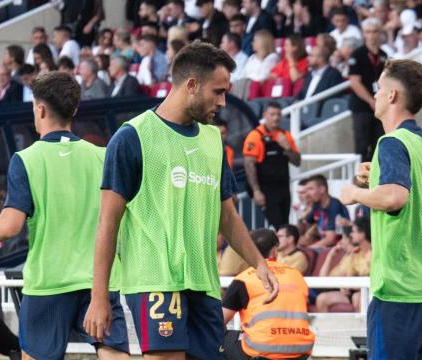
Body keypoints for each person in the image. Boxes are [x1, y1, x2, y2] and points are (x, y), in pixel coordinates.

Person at [83, 42, 279, 359]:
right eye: (217, 91)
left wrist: (259, 263)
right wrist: (99, 296)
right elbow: (107, 223)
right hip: (153, 282)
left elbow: (227, 215)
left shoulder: (213, 140)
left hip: (203, 284)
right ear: (191, 85)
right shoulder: (132, 136)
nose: (223, 101)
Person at [0, 72, 130, 360]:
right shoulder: (102, 156)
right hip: (98, 280)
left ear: (40, 109)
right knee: (113, 352)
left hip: (49, 283)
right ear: (73, 110)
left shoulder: (26, 159)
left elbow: (10, 226)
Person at [339, 59, 422, 358]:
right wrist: (375, 173)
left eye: (378, 89)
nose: (374, 95)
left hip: (401, 286)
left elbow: (394, 197)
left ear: (391, 97)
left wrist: (354, 194)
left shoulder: (391, 142)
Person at [222, 228, 315, 360]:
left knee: (218, 336)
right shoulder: (296, 275)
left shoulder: (243, 279)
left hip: (261, 350)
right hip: (301, 349)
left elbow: (219, 321)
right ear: (274, 250)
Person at [243, 101, 301, 229]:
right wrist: (256, 191)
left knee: (285, 223)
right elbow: (249, 164)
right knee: (278, 225)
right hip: (266, 188)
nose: (276, 118)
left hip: (284, 186)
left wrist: (287, 148)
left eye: (278, 114)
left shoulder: (285, 135)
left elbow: (297, 161)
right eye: (272, 114)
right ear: (265, 115)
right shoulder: (255, 136)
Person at [348, 18, 387, 162]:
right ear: (363, 34)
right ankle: (361, 179)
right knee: (362, 144)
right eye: (368, 32)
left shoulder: (383, 55)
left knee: (379, 142)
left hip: (379, 106)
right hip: (362, 107)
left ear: (380, 33)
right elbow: (354, 82)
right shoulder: (357, 55)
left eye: (375, 31)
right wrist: (371, 100)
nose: (371, 35)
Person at [315, 216, 371, 312]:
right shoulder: (355, 253)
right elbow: (349, 276)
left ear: (363, 234)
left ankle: (361, 327)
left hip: (370, 291)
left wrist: (352, 286)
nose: (351, 235)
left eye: (353, 231)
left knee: (358, 298)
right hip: (355, 291)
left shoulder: (376, 253)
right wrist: (346, 286)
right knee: (321, 299)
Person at [301, 174, 349, 248]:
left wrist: (308, 248)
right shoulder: (316, 205)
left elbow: (330, 239)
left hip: (339, 247)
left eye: (310, 189)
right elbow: (305, 224)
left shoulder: (334, 205)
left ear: (322, 189)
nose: (307, 193)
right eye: (306, 190)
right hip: (325, 246)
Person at [297, 45, 344, 117]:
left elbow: (332, 96)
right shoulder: (309, 74)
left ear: (321, 59)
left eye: (311, 56)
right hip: (303, 111)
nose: (307, 58)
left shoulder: (333, 74)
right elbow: (302, 94)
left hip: (319, 113)